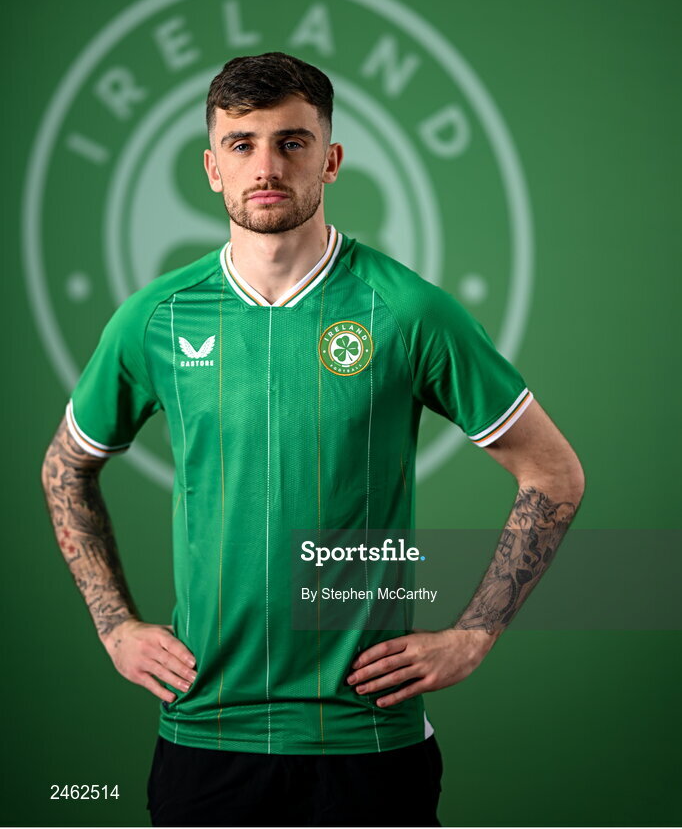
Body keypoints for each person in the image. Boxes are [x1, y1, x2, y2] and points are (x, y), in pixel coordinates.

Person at [41, 51, 584, 828]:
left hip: (366, 741)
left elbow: (554, 473)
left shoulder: (408, 312)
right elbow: (66, 468)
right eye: (242, 144)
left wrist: (473, 635)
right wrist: (114, 624)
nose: (267, 165)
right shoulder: (156, 318)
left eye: (291, 142)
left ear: (329, 161)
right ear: (211, 168)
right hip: (206, 733)